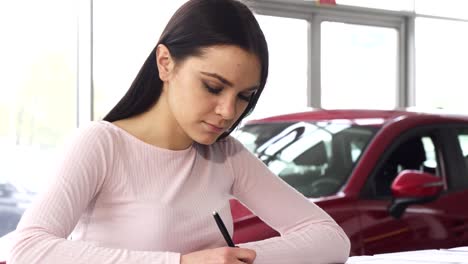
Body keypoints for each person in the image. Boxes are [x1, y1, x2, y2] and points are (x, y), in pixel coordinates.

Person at [9, 0, 350, 263]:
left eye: (245, 96)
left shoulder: (225, 154)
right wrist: (182, 262)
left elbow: (330, 238)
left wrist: (239, 258)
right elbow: (28, 248)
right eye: (213, 87)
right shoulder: (103, 144)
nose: (229, 112)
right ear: (165, 63)